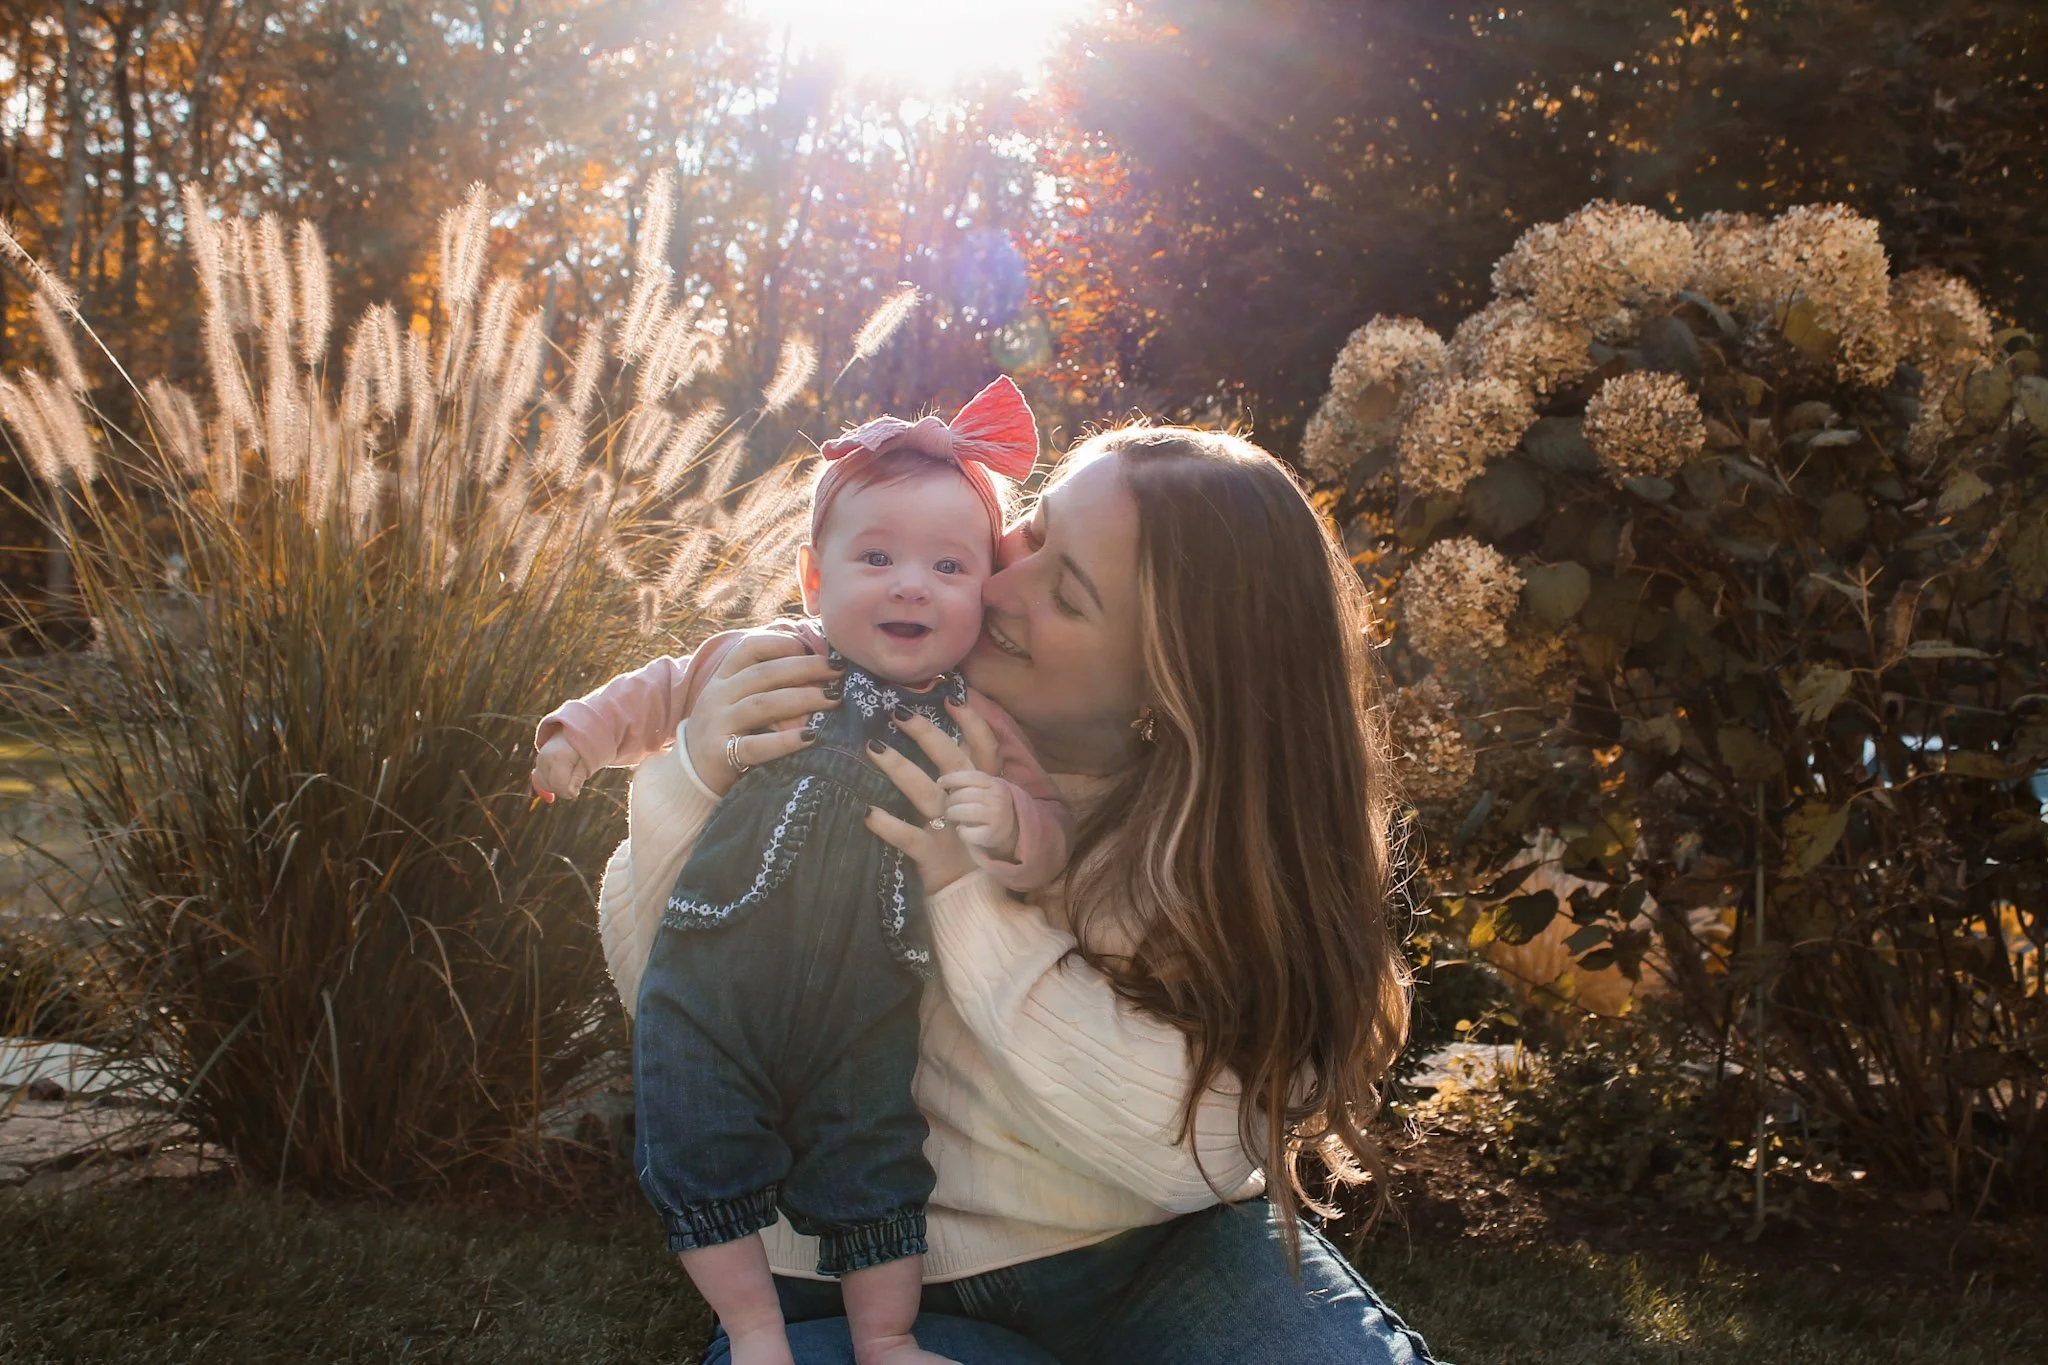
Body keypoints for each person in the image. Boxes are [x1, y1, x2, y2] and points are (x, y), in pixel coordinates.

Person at [597, 424, 1436, 1364]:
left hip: (1153, 1260)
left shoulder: (1201, 847)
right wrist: (693, 776)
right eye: (1032, 530)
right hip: (853, 1275)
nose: (996, 583)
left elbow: (1179, 1147)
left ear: (1173, 680)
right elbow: (669, 1002)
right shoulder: (819, 708)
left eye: (1065, 590)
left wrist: (964, 893)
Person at [532, 377, 1072, 1365]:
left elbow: (1047, 831)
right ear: (814, 579)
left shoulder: (973, 722)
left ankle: (886, 1337)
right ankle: (751, 1329)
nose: (910, 583)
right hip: (712, 974)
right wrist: (578, 735)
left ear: (982, 594)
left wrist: (1010, 822)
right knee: (693, 1132)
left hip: (868, 996)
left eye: (948, 566)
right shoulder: (769, 657)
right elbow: (656, 693)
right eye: (875, 557)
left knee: (875, 1154)